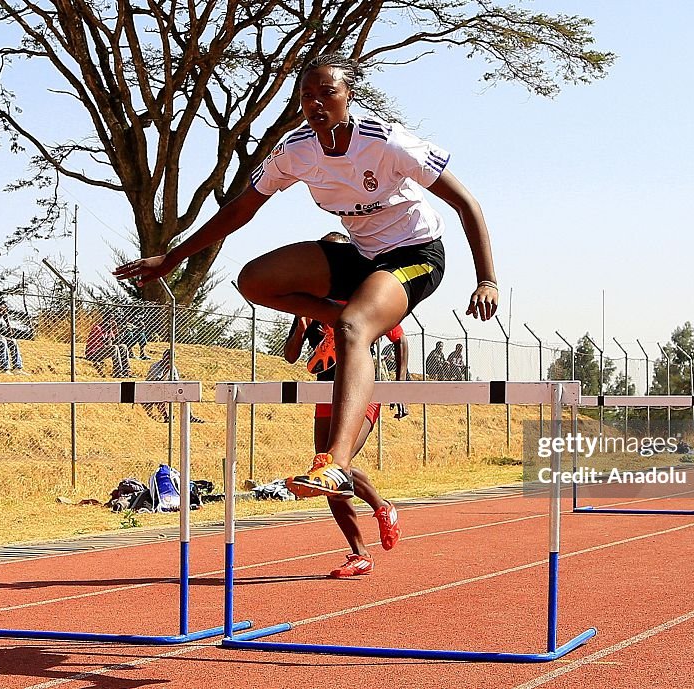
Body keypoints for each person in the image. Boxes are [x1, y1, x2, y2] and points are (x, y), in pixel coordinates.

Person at [114, 53, 498, 498]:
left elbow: (467, 203)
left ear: (349, 95)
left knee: (357, 325)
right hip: (360, 255)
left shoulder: (387, 142)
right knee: (254, 280)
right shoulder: (297, 150)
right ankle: (339, 320)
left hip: (416, 254)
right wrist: (171, 258)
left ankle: (334, 461)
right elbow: (241, 207)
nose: (315, 103)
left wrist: (486, 279)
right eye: (306, 96)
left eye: (327, 93)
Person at [282, 241, 407, 577]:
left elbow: (400, 338)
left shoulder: (365, 299)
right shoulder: (311, 304)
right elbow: (291, 355)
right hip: (327, 393)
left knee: (337, 465)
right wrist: (301, 319)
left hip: (363, 393)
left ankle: (381, 507)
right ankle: (359, 553)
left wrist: (399, 383)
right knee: (325, 473)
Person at [142, 349, 205, 423]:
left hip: (167, 389)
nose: (168, 361)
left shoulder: (173, 368)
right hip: (151, 389)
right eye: (167, 358)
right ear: (163, 358)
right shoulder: (155, 366)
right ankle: (166, 417)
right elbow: (155, 382)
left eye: (170, 359)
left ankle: (189, 416)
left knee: (185, 392)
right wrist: (166, 371)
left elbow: (176, 382)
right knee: (160, 393)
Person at [0, 301, 26, 374]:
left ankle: (17, 367)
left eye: (4, 310)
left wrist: (7, 321)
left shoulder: (0, 321)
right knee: (3, 340)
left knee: (13, 340)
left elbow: (10, 334)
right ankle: (5, 368)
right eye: (0, 310)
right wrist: (6, 338)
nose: (1, 312)